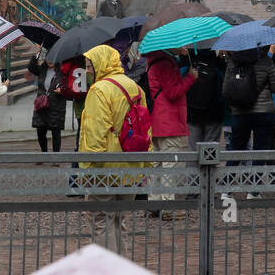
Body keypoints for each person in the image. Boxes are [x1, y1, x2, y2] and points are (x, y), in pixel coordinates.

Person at [78, 43, 151, 251]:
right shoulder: (134, 87)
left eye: (90, 66)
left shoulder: (99, 90)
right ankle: (123, 270)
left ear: (101, 64)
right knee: (121, 220)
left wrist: (89, 168)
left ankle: (107, 273)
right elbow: (146, 128)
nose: (88, 71)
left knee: (101, 219)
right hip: (131, 168)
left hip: (105, 170)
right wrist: (146, 165)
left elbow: (95, 133)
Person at [147, 48, 197, 217]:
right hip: (171, 122)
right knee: (171, 165)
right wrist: (190, 78)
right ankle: (168, 207)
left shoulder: (153, 61)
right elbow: (172, 92)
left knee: (157, 165)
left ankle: (154, 204)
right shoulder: (166, 63)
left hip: (158, 122)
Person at [223, 46, 275, 151]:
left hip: (239, 111)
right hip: (263, 111)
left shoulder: (233, 62)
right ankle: (256, 167)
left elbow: (225, 91)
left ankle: (232, 167)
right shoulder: (266, 61)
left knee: (236, 150)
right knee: (261, 150)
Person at [27, 48, 66, 152]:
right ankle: (44, 153)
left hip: (56, 105)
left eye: (53, 58)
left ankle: (55, 157)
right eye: (48, 58)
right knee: (40, 131)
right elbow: (31, 67)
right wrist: (37, 53)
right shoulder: (42, 69)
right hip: (42, 105)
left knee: (56, 132)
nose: (50, 61)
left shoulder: (62, 71)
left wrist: (62, 90)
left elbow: (67, 86)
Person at [185, 48, 225, 145]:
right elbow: (224, 82)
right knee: (210, 151)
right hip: (214, 112)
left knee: (193, 150)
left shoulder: (188, 59)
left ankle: (193, 161)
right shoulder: (216, 60)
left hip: (192, 112)